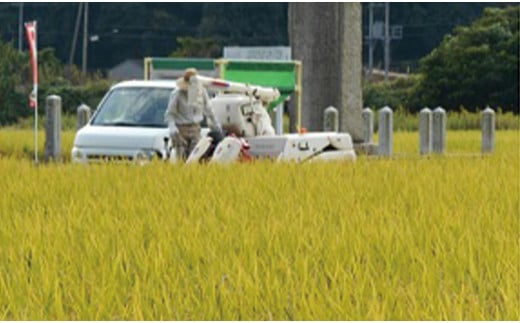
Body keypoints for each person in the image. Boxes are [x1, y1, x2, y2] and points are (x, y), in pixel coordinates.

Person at [164, 68, 222, 161]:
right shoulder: (177, 94)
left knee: (195, 156)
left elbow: (208, 109)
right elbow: (170, 113)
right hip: (181, 129)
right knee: (181, 157)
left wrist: (215, 123)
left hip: (195, 128)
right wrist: (172, 126)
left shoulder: (201, 92)